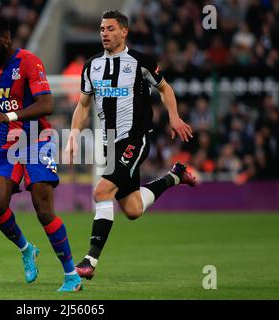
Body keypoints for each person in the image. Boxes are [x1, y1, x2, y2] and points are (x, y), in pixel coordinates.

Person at [65, 10, 198, 280]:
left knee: (101, 192)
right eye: (102, 29)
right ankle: (175, 175)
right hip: (109, 143)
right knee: (133, 209)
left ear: (124, 31)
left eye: (111, 29)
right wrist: (73, 135)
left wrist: (173, 117)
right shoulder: (92, 66)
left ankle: (89, 260)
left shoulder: (140, 62)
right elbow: (83, 104)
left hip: (135, 139)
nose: (105, 33)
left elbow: (165, 89)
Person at [0, 14, 82, 292]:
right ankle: (26, 249)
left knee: (43, 209)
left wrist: (9, 114)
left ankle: (71, 275)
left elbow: (46, 104)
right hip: (6, 142)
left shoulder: (28, 61)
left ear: (6, 39)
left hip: (37, 139)